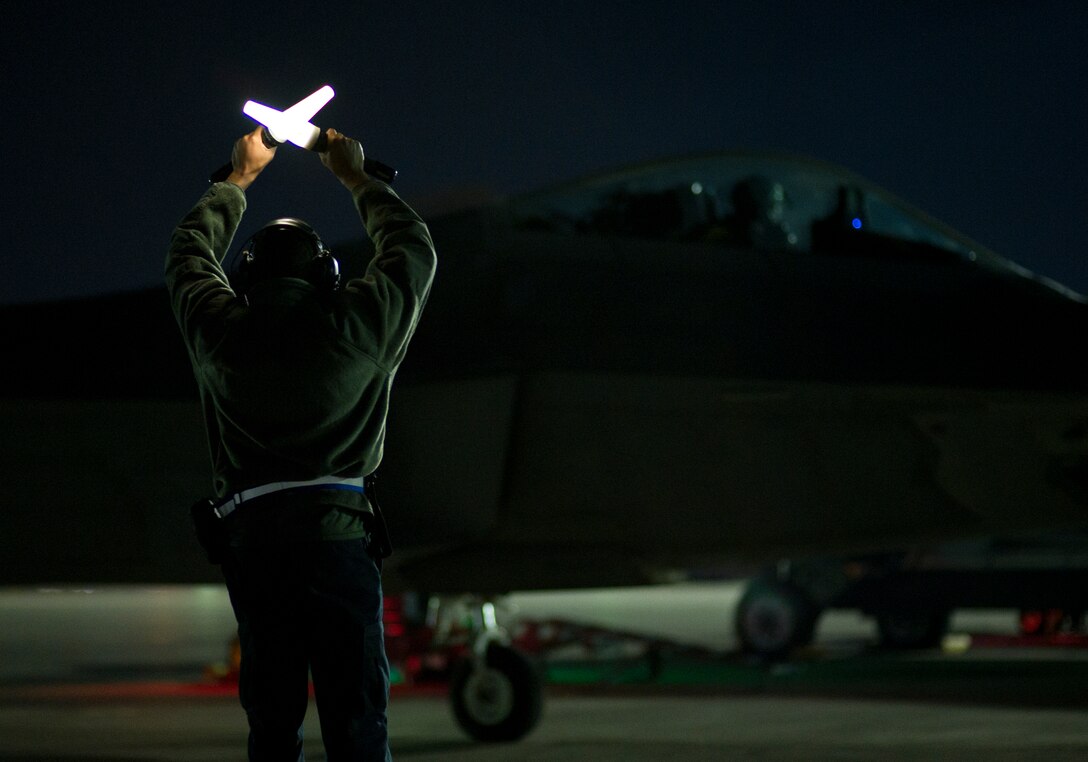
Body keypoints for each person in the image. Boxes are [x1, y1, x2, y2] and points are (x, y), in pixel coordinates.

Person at [165, 125, 436, 760]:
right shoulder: (359, 330)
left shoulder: (219, 334)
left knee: (272, 726)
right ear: (326, 276)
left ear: (249, 278)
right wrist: (356, 176)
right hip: (340, 547)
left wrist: (236, 180)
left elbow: (187, 257)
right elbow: (412, 250)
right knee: (358, 726)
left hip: (255, 553)